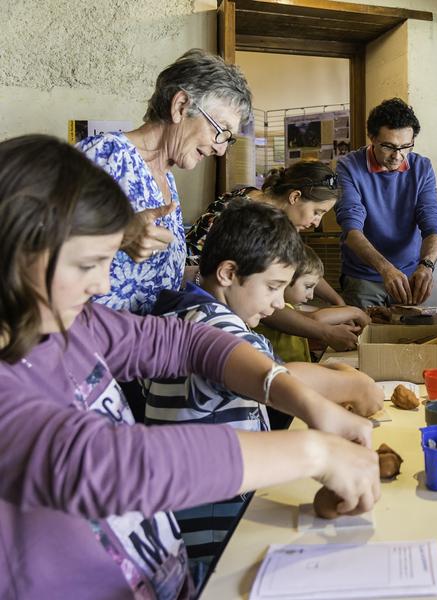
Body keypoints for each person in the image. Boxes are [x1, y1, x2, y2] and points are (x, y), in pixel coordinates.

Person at [0, 135, 379, 599]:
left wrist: (301, 399)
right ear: (18, 255)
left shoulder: (69, 323)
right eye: (86, 265)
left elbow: (191, 343)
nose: (101, 285)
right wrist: (313, 451)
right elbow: (110, 464)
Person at [144, 201, 382, 581]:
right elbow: (277, 376)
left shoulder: (182, 310)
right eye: (272, 287)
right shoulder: (214, 324)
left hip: (211, 519)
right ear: (228, 273)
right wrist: (351, 383)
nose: (277, 304)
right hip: (215, 539)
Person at [77, 48, 252, 315]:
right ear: (180, 106)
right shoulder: (105, 156)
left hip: (141, 347)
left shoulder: (166, 180)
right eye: (221, 132)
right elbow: (28, 244)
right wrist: (116, 238)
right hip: (88, 347)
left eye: (229, 140)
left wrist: (231, 275)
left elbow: (152, 279)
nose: (221, 150)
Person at [185, 161, 367, 352]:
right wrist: (325, 332)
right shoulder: (253, 220)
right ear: (295, 197)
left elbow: (298, 265)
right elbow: (256, 298)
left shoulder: (262, 204)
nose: (316, 223)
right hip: (203, 308)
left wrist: (338, 302)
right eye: (317, 212)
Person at [335, 98, 437, 308]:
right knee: (361, 338)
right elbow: (351, 229)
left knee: (408, 339)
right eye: (389, 146)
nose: (398, 156)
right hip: (363, 278)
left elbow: (432, 225)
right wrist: (385, 269)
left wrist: (426, 265)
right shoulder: (348, 167)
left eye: (405, 147)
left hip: (409, 276)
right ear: (372, 137)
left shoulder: (422, 168)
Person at [256, 243, 371, 363]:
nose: (311, 295)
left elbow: (318, 312)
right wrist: (355, 312)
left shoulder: (292, 305)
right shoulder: (269, 307)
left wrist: (344, 312)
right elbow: (315, 318)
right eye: (308, 286)